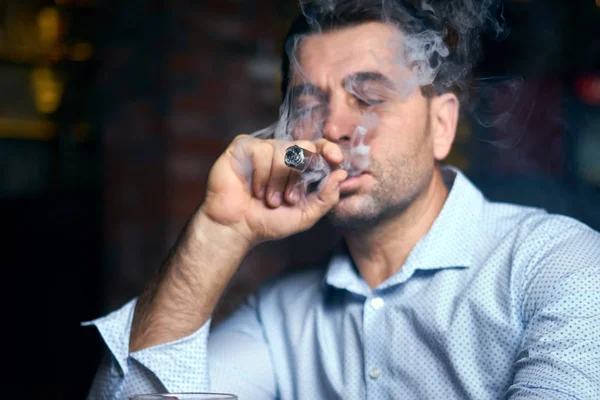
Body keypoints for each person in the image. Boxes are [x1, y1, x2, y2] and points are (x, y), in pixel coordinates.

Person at [85, 1, 600, 399]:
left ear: (441, 124)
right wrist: (218, 231)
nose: (333, 127)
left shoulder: (557, 267)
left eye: (369, 98)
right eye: (309, 105)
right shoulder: (279, 318)